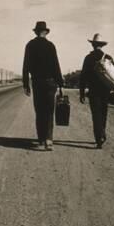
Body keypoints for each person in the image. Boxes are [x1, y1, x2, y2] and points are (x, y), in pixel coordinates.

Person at [22, 21, 64, 151]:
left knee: (39, 111)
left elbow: (26, 66)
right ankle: (49, 140)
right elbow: (56, 65)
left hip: (37, 82)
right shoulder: (50, 45)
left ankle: (41, 140)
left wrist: (26, 84)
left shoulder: (30, 45)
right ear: (45, 32)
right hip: (51, 82)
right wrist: (60, 83)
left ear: (36, 32)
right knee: (49, 111)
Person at [79, 33, 114, 149]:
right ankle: (102, 133)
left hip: (93, 91)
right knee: (103, 113)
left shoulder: (88, 58)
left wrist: (82, 93)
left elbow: (83, 76)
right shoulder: (108, 57)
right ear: (102, 45)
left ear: (93, 45)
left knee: (96, 114)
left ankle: (99, 138)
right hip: (105, 91)